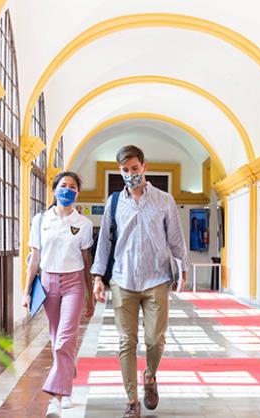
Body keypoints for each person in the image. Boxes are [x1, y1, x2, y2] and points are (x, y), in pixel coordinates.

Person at [91, 145, 189, 418]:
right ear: (119, 170)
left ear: (144, 167)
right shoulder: (114, 203)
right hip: (123, 279)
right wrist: (98, 277)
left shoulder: (164, 200)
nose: (130, 174)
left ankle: (150, 375)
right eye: (125, 170)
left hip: (157, 278)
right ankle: (132, 400)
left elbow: (176, 239)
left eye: (134, 168)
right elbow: (105, 241)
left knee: (155, 340)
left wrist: (183, 270)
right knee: (126, 341)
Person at [24, 171, 95, 418]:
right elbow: (34, 259)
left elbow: (86, 261)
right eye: (63, 185)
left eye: (72, 186)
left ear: (78, 193)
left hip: (74, 283)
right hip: (48, 283)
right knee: (57, 340)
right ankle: (67, 375)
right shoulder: (40, 220)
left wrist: (90, 296)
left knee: (65, 339)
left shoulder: (84, 224)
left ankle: (57, 397)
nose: (67, 190)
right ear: (54, 190)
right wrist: (26, 291)